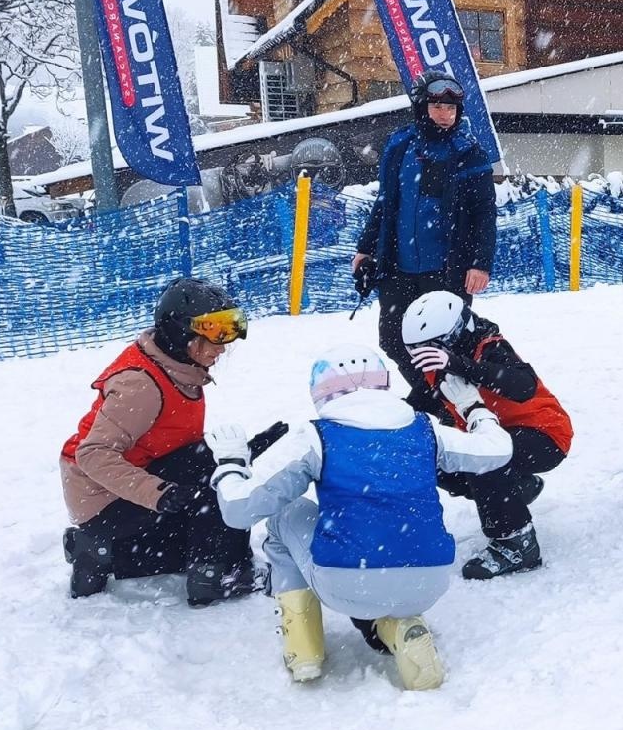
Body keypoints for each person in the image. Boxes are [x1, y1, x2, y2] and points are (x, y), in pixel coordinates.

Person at [208, 346, 514, 690]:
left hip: (346, 581)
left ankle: (304, 650)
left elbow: (239, 510)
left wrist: (231, 462)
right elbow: (498, 451)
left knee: (284, 514)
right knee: (384, 540)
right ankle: (398, 626)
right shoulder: (425, 428)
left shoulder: (316, 436)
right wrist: (473, 407)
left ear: (321, 393)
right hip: (429, 580)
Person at [59, 278, 275, 606]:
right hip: (102, 496)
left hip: (122, 484)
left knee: (203, 498)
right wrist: (158, 493)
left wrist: (242, 452)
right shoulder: (141, 384)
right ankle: (215, 576)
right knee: (217, 479)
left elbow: (174, 441)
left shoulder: (175, 365)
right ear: (179, 331)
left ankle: (99, 551)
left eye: (229, 330)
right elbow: (93, 454)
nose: (222, 346)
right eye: (214, 332)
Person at [401, 290, 573, 579]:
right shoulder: (438, 367)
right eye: (415, 351)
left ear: (453, 335)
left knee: (483, 457)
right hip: (496, 434)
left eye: (429, 349)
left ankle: (517, 542)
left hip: (545, 436)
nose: (422, 358)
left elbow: (523, 386)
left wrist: (459, 365)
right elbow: (416, 405)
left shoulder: (490, 348)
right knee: (434, 458)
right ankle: (515, 489)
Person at [352, 71, 498, 394]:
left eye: (451, 108)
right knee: (393, 339)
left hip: (446, 270)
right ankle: (436, 399)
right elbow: (385, 201)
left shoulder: (468, 153)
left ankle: (459, 403)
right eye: (437, 106)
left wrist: (481, 263)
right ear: (421, 107)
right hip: (398, 268)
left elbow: (484, 213)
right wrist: (366, 247)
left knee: (446, 344)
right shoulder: (400, 145)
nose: (445, 114)